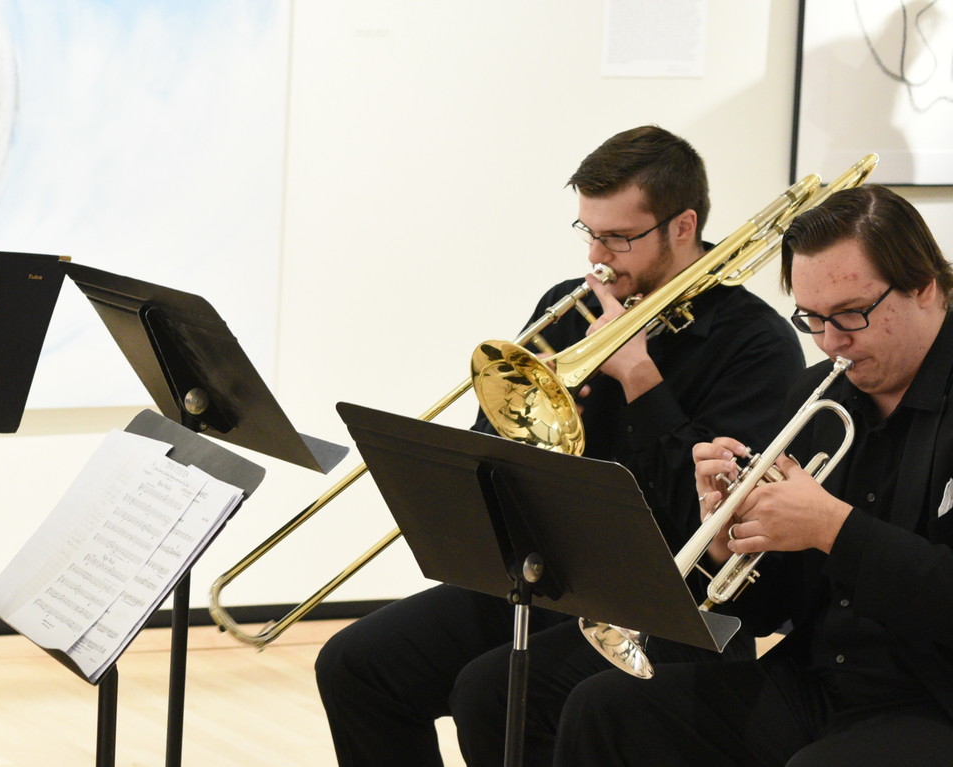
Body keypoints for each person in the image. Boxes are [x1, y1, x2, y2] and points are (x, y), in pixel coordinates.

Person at [312, 126, 807, 767]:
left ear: (683, 226)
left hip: (669, 611)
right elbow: (486, 450)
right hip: (553, 576)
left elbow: (712, 523)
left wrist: (641, 381)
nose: (597, 257)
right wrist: (534, 428)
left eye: (619, 238)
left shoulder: (757, 346)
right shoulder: (569, 308)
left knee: (490, 693)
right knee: (356, 666)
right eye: (588, 232)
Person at [554, 184, 953, 765]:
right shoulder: (819, 398)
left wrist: (835, 529)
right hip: (822, 681)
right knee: (605, 709)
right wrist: (726, 543)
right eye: (811, 318)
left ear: (924, 286)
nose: (831, 342)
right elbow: (768, 615)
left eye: (851, 314)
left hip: (936, 698)